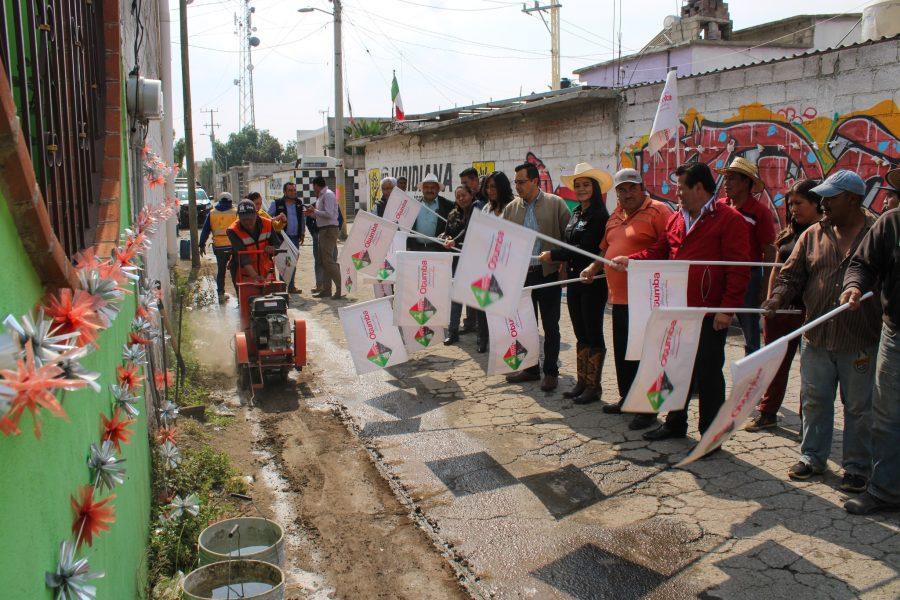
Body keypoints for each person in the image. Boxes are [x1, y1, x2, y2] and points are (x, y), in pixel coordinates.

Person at [610, 163, 750, 441]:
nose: (677, 194)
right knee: (674, 366)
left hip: (709, 313)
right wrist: (631, 261)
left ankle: (711, 435)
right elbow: (660, 251)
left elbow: (739, 268)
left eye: (681, 188)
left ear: (698, 188)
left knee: (708, 372)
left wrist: (727, 309)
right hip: (676, 309)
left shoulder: (728, 218)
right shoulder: (677, 218)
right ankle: (675, 422)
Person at [762, 170, 880, 491]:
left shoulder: (876, 233)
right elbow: (791, 277)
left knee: (858, 407)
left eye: (831, 197)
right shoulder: (812, 234)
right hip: (815, 336)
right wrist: (776, 299)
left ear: (853, 200)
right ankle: (812, 456)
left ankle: (856, 467)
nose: (823, 204)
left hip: (860, 338)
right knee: (814, 399)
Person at [581, 168, 673, 429]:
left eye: (632, 187)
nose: (627, 193)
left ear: (642, 187)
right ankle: (628, 398)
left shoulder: (658, 211)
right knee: (624, 353)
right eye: (622, 189)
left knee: (645, 355)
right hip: (619, 299)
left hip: (648, 299)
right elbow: (605, 249)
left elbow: (668, 247)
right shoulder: (615, 215)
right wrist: (593, 268)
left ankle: (647, 409)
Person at [745, 180, 822, 431]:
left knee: (809, 371)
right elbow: (777, 273)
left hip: (809, 312)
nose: (793, 209)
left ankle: (807, 422)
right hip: (780, 311)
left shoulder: (824, 233)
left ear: (816, 203)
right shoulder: (788, 234)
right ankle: (767, 413)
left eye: (799, 203)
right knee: (775, 364)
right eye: (790, 204)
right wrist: (770, 305)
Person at [841, 195, 900, 514]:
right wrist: (853, 285)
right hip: (896, 333)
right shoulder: (892, 222)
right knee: (888, 416)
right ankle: (886, 490)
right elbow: (863, 264)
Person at [538, 163, 611, 404]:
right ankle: (582, 381)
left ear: (595, 187)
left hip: (592, 282)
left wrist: (554, 255)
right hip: (574, 281)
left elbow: (587, 248)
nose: (580, 189)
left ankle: (594, 386)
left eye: (586, 185)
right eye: (577, 185)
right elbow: (568, 241)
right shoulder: (577, 212)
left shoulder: (600, 216)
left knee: (593, 332)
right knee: (580, 332)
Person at [503, 162, 572, 392]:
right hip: (522, 276)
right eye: (516, 183)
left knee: (550, 325)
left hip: (548, 274)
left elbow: (568, 237)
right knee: (526, 325)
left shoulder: (555, 204)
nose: (518, 186)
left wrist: (563, 264)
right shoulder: (511, 209)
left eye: (521, 182)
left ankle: (551, 371)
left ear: (535, 181)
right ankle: (531, 368)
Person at [720, 157, 777, 355]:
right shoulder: (720, 207)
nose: (726, 183)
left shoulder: (760, 212)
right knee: (716, 327)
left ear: (746, 182)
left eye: (732, 179)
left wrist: (765, 286)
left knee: (750, 331)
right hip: (721, 275)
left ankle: (752, 373)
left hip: (749, 277)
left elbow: (769, 250)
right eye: (725, 179)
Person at [475, 171, 517, 352]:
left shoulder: (513, 207)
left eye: (494, 187)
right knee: (484, 303)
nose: (490, 191)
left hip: (506, 265)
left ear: (502, 187)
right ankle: (483, 338)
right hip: (486, 263)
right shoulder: (486, 209)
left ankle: (503, 341)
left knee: (501, 306)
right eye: (488, 187)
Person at [442, 185, 485, 345]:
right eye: (458, 196)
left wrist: (454, 240)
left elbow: (470, 230)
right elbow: (447, 232)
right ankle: (453, 332)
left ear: (471, 194)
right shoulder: (453, 214)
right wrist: (445, 236)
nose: (461, 199)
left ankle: (481, 334)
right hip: (457, 261)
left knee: (477, 297)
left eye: (464, 195)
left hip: (476, 260)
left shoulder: (479, 209)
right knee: (456, 298)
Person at [304, 177, 342, 299]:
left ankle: (340, 287)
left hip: (329, 230)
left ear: (316, 185)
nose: (313, 189)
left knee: (328, 261)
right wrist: (312, 214)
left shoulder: (328, 195)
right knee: (324, 260)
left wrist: (314, 210)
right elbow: (323, 216)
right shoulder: (322, 196)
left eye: (313, 186)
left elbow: (329, 214)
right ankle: (327, 290)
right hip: (324, 229)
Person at [227, 200, 281, 282]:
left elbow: (277, 245)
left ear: (256, 214)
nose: (247, 223)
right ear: (239, 217)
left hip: (266, 272)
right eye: (244, 220)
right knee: (248, 294)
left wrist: (273, 249)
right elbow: (243, 258)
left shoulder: (267, 224)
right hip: (244, 274)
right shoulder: (233, 231)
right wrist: (255, 276)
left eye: (250, 219)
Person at [199, 191, 238, 303]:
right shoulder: (235, 213)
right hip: (233, 247)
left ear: (220, 201)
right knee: (235, 271)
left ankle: (220, 294)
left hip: (219, 248)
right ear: (230, 201)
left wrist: (202, 245)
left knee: (221, 271)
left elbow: (205, 231)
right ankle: (239, 295)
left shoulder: (212, 213)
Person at [267, 183, 305, 294]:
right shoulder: (277, 203)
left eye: (294, 190)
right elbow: (268, 219)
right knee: (283, 262)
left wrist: (302, 233)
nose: (293, 192)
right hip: (281, 238)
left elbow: (302, 219)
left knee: (292, 262)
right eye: (290, 190)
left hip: (294, 238)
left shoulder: (299, 203)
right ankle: (283, 287)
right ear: (284, 192)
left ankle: (291, 287)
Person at [408, 173, 453, 252]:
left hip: (438, 249)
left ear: (438, 189)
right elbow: (408, 227)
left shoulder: (447, 205)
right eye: (426, 187)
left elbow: (452, 227)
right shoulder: (414, 205)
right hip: (416, 249)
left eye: (433, 187)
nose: (429, 190)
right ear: (422, 189)